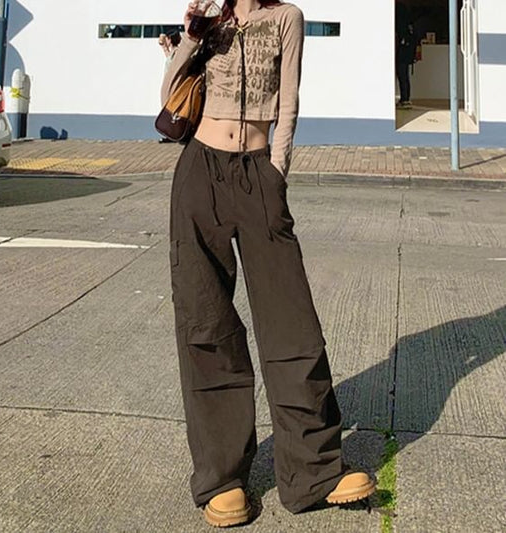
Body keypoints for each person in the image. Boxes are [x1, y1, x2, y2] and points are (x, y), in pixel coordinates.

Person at [161, 0, 376, 527]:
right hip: (199, 173)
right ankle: (222, 477)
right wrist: (191, 36)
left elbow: (289, 101)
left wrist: (276, 172)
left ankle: (313, 471)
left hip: (259, 175)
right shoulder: (210, 18)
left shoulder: (286, 18)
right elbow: (168, 95)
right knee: (206, 324)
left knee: (292, 323)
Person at [396, 0, 417, 109]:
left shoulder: (402, 27)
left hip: (402, 52)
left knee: (402, 75)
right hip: (406, 52)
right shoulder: (410, 26)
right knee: (404, 75)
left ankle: (405, 99)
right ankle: (405, 98)